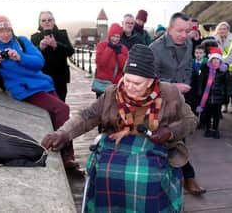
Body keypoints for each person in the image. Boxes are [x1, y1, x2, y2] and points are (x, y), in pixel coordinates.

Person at [41, 45, 197, 212]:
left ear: (151, 80)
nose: (129, 87)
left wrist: (170, 132)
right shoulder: (112, 93)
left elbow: (190, 120)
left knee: (147, 177)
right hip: (117, 148)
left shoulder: (170, 94)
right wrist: (63, 134)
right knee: (105, 172)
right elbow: (87, 116)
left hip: (156, 151)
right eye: (127, 80)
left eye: (137, 83)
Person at [0, 15, 78, 170]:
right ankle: (67, 156)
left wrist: (20, 57)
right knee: (63, 109)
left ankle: (60, 152)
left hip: (45, 85)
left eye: (8, 30)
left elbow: (39, 62)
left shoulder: (22, 42)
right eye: (1, 31)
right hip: (26, 91)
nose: (5, 34)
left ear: (12, 30)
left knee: (59, 117)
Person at [150, 12, 206, 196]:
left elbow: (188, 65)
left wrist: (187, 83)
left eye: (187, 31)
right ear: (169, 29)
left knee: (180, 137)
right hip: (161, 102)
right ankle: (187, 178)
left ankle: (180, 178)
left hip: (182, 100)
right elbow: (149, 79)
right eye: (180, 30)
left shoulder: (189, 43)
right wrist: (174, 86)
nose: (184, 35)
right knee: (170, 140)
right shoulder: (155, 49)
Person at [30, 11, 75, 102]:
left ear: (53, 21)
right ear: (40, 23)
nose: (47, 22)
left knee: (60, 103)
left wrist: (56, 45)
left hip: (60, 78)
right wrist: (40, 48)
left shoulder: (62, 34)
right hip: (42, 77)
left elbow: (70, 51)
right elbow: (30, 57)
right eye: (43, 20)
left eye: (49, 20)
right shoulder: (35, 37)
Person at [195, 47, 231, 139]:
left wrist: (227, 95)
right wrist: (199, 91)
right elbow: (201, 81)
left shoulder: (224, 71)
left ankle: (215, 129)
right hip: (207, 96)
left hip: (218, 96)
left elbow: (227, 84)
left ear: (220, 60)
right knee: (207, 113)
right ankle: (207, 129)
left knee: (216, 114)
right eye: (214, 59)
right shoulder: (205, 69)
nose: (215, 61)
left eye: (217, 59)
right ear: (211, 60)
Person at [93, 23, 129, 98]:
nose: (115, 39)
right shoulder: (101, 45)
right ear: (109, 35)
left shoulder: (123, 49)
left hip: (116, 85)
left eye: (117, 37)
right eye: (113, 36)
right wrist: (109, 49)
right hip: (103, 84)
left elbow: (124, 67)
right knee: (101, 107)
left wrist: (119, 54)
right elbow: (100, 63)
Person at [213, 21, 232, 113]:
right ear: (217, 30)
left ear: (228, 30)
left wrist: (224, 64)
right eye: (220, 29)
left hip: (227, 68)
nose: (222, 30)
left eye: (224, 29)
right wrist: (217, 64)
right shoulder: (213, 39)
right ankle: (217, 109)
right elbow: (212, 53)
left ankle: (225, 105)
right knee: (216, 89)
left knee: (226, 89)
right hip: (215, 67)